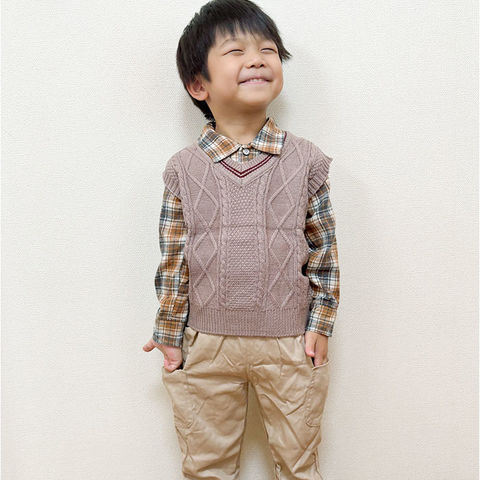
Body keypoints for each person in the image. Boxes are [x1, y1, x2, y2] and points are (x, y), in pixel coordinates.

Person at [143, 0, 340, 478]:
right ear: (199, 85)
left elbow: (324, 252)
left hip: (290, 344)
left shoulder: (306, 161)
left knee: (299, 465)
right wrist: (168, 331)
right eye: (236, 51)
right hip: (205, 345)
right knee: (206, 466)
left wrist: (321, 323)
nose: (257, 60)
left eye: (267, 50)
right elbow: (174, 259)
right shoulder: (183, 169)